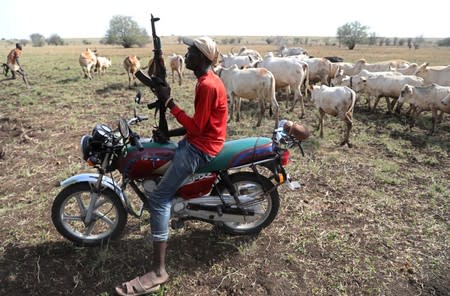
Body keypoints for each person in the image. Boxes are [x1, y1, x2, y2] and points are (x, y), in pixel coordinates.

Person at [115, 36, 228, 296]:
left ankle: (159, 271)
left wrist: (169, 103)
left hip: (201, 148)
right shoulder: (206, 81)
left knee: (158, 199)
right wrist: (171, 133)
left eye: (190, 52)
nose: (186, 55)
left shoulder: (207, 85)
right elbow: (200, 124)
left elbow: (198, 128)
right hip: (199, 140)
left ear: (202, 57)